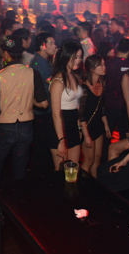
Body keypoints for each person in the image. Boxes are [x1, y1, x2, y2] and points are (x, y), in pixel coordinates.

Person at [0, 35, 48, 218]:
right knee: (19, 172)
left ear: (6, 55)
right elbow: (43, 103)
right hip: (26, 128)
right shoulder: (33, 73)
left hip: (5, 128)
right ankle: (18, 213)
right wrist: (27, 99)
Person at [49, 40, 84, 170]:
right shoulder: (58, 82)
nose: (78, 60)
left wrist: (79, 127)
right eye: (75, 57)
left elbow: (77, 105)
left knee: (74, 169)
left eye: (80, 57)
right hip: (60, 129)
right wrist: (61, 140)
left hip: (73, 126)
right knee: (61, 171)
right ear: (66, 56)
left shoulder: (74, 76)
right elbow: (56, 114)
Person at [30, 32, 57, 175]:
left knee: (45, 144)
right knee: (42, 146)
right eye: (51, 43)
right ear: (42, 46)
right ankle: (41, 176)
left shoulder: (44, 60)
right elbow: (53, 83)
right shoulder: (39, 62)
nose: (55, 46)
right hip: (42, 111)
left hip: (46, 109)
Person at [79, 55, 110, 177]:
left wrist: (106, 125)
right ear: (92, 69)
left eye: (104, 64)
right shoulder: (84, 88)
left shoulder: (101, 83)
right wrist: (86, 135)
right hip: (87, 127)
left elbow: (102, 107)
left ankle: (95, 184)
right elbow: (81, 115)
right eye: (100, 65)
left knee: (97, 158)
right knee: (89, 160)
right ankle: (82, 184)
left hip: (98, 126)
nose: (104, 67)